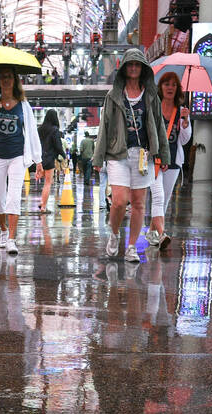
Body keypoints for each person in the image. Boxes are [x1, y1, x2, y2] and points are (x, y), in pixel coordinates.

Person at [93, 48, 169, 264]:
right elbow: (104, 127)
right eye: (130, 65)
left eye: (137, 65)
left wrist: (162, 154)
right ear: (124, 69)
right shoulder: (113, 95)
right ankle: (115, 233)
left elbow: (159, 126)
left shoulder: (151, 96)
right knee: (118, 202)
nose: (134, 68)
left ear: (142, 69)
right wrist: (98, 159)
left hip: (143, 155)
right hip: (118, 154)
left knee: (138, 204)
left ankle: (132, 247)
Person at [0, 66, 42, 255]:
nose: (6, 80)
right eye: (3, 77)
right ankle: (3, 230)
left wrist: (38, 161)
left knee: (13, 198)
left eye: (9, 77)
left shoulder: (23, 105)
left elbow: (31, 132)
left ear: (15, 80)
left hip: (18, 156)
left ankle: (12, 239)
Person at [146, 71, 191, 251]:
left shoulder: (182, 111)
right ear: (161, 87)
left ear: (177, 89)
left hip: (173, 162)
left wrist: (186, 122)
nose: (170, 87)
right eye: (166, 84)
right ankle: (162, 233)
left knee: (163, 201)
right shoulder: (153, 108)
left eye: (173, 84)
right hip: (153, 161)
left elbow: (185, 140)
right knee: (158, 196)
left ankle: (152, 232)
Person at [36, 110, 65, 213]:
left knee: (45, 182)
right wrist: (63, 155)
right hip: (49, 159)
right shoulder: (54, 130)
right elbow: (58, 145)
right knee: (48, 183)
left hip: (39, 158)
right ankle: (43, 206)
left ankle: (42, 202)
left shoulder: (40, 129)